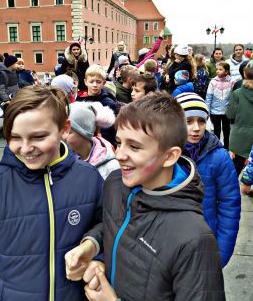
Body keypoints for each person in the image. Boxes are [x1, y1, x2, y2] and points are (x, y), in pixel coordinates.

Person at [65, 92, 225, 301]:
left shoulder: (194, 239)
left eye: (134, 146)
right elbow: (115, 223)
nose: (120, 154)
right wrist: (92, 245)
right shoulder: (116, 182)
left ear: (169, 156)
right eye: (120, 142)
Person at [0, 85, 103, 301]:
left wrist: (93, 249)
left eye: (38, 137)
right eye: (15, 137)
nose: (25, 148)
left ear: (65, 129)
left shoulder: (89, 179)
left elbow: (108, 229)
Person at [176, 92, 241, 267]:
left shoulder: (219, 157)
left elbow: (230, 205)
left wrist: (221, 253)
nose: (196, 128)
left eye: (201, 120)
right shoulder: (166, 154)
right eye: (188, 121)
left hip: (206, 242)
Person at [66, 101, 120, 179]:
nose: (62, 136)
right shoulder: (61, 158)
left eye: (69, 132)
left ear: (84, 134)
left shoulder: (111, 169)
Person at [77, 64, 117, 147]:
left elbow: (111, 131)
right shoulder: (79, 99)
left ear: (104, 83)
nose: (95, 85)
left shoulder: (108, 103)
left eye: (98, 82)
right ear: (85, 82)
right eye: (91, 81)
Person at [226, 60, 253, 176]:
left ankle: (229, 193)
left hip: (240, 137)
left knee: (235, 168)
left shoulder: (237, 93)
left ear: (245, 74)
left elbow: (230, 115)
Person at [206, 61, 235, 150]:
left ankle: (226, 147)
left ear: (226, 71)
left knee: (227, 131)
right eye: (217, 69)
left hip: (226, 112)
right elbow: (209, 97)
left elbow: (233, 97)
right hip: (215, 111)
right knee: (216, 130)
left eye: (220, 69)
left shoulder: (232, 82)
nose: (218, 71)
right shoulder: (213, 82)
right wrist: (207, 109)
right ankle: (217, 147)